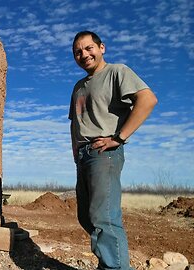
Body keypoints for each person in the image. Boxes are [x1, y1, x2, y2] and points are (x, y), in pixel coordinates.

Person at [69, 31, 157, 269]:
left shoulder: (117, 72)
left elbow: (147, 100)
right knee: (86, 217)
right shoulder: (79, 87)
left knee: (104, 217)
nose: (84, 55)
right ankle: (109, 262)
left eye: (89, 48)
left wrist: (119, 138)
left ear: (102, 48)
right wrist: (75, 150)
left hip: (104, 153)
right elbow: (74, 121)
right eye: (78, 52)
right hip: (84, 155)